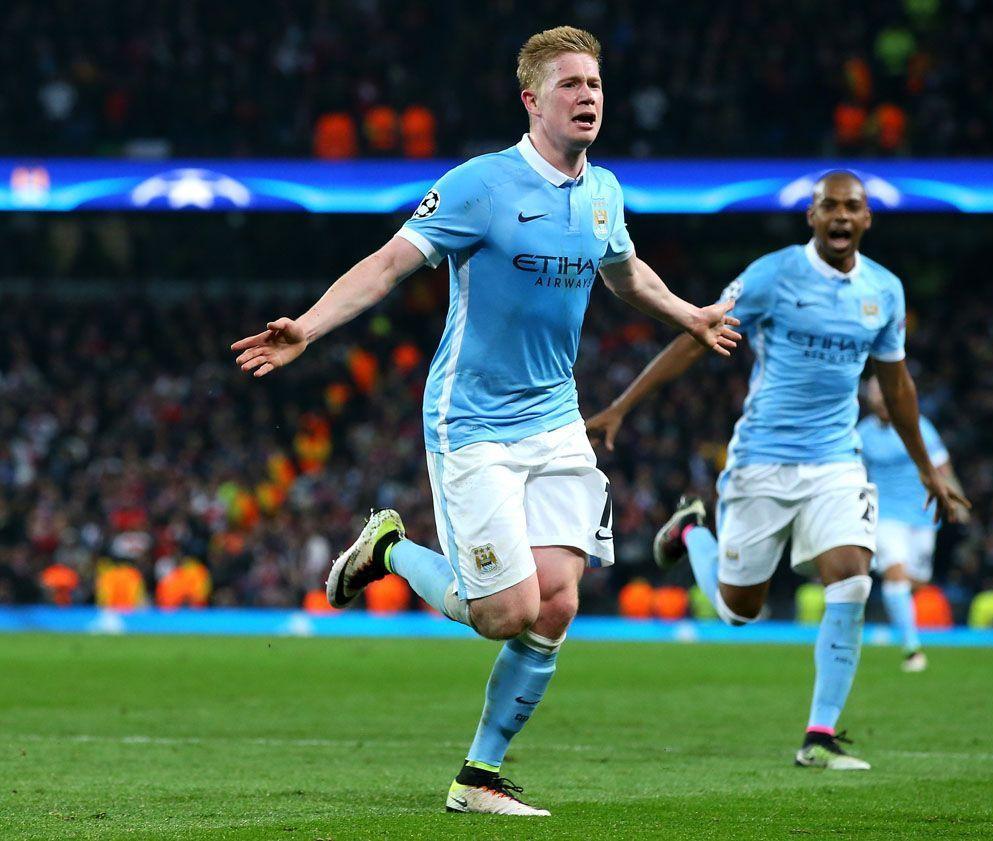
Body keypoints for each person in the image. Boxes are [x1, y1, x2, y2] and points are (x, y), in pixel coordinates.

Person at [231, 26, 739, 816]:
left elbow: (625, 271)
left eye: (596, 85)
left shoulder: (603, 192)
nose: (588, 97)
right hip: (471, 419)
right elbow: (390, 262)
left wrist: (691, 316)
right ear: (532, 100)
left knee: (560, 600)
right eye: (570, 85)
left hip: (554, 418)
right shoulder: (481, 185)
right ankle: (391, 549)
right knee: (506, 611)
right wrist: (310, 325)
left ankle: (478, 777)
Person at [586, 171, 969, 771]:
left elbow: (896, 386)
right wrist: (621, 407)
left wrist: (928, 470)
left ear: (867, 220)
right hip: (761, 460)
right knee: (739, 610)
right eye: (829, 207)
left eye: (852, 208)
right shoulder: (771, 275)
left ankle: (819, 736)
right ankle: (692, 531)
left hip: (836, 463)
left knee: (853, 580)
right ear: (811, 217)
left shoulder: (885, 292)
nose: (841, 217)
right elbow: (698, 333)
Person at [858, 376, 968, 672]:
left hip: (921, 516)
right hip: (885, 516)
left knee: (915, 580)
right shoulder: (863, 434)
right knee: (896, 574)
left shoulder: (917, 425)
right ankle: (911, 648)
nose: (880, 401)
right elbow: (854, 474)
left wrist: (955, 500)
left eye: (884, 395)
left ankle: (906, 627)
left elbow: (942, 466)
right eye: (875, 396)